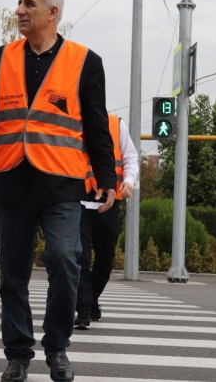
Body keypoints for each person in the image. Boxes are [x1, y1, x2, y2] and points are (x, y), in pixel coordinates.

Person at [0, 0, 116, 382]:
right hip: (12, 181)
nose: (19, 10)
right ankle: (18, 353)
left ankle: (56, 347)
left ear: (52, 12)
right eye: (19, 3)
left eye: (28, 4)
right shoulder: (1, 58)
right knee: (14, 274)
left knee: (63, 257)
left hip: (61, 184)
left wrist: (106, 178)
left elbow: (96, 127)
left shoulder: (85, 62)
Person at [74, 114, 138, 330]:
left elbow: (130, 158)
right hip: (79, 200)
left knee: (106, 258)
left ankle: (91, 299)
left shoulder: (115, 124)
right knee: (81, 257)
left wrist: (128, 182)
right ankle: (83, 311)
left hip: (109, 202)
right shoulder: (71, 119)